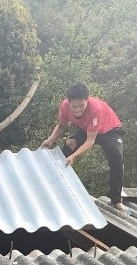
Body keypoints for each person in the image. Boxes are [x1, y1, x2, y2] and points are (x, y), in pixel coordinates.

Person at [41, 82, 128, 213]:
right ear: (68, 102)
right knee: (69, 145)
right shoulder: (64, 106)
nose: (77, 110)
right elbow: (62, 125)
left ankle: (116, 200)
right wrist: (50, 140)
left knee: (116, 157)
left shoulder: (95, 109)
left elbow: (90, 141)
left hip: (108, 130)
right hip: (86, 127)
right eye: (74, 106)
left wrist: (74, 156)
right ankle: (55, 184)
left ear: (87, 100)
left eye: (81, 105)